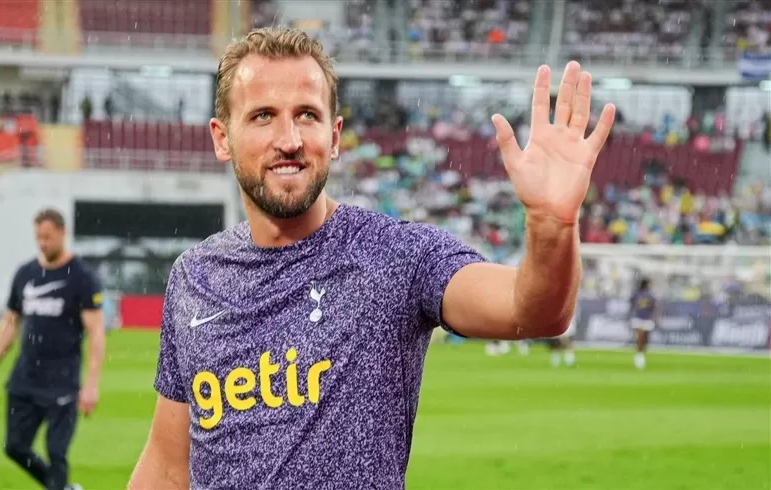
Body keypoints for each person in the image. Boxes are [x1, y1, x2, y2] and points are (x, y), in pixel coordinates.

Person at [128, 27, 615, 489]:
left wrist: (552, 225)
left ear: (334, 136)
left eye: (307, 115)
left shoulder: (396, 257)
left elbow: (533, 311)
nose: (289, 140)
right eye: (262, 116)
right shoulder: (194, 277)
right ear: (222, 138)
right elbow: (168, 468)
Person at [0, 208, 106, 490]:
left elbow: (96, 333)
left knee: (57, 453)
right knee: (14, 446)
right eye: (38, 237)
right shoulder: (26, 274)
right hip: (26, 378)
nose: (42, 243)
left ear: (62, 233)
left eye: (47, 237)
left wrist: (91, 384)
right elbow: (10, 324)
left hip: (62, 380)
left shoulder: (82, 277)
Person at [628, 277, 658, 370]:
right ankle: (639, 355)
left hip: (647, 319)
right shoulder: (636, 294)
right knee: (640, 336)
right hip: (638, 318)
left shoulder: (651, 295)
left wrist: (656, 317)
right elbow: (631, 305)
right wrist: (629, 317)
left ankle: (641, 354)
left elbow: (655, 307)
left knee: (645, 339)